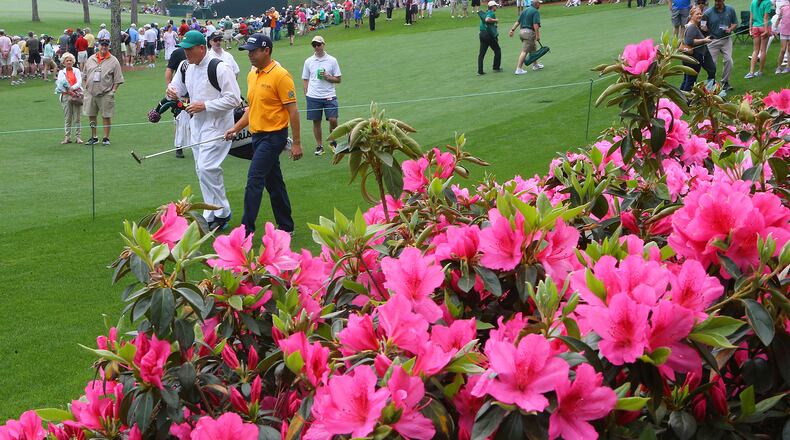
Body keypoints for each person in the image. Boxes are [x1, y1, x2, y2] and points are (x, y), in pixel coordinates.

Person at [226, 33, 303, 236]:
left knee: (254, 180)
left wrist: (296, 144)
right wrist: (236, 128)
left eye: (253, 51)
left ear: (266, 50)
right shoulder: (253, 74)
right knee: (274, 182)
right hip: (257, 137)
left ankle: (245, 232)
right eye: (248, 51)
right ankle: (287, 226)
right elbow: (252, 108)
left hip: (274, 137)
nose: (249, 55)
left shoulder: (281, 75)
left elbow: (293, 111)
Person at [167, 30, 241, 231]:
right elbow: (176, 89)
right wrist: (172, 92)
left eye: (189, 50)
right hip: (196, 125)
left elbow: (234, 99)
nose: (186, 54)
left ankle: (223, 212)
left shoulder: (220, 67)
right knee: (201, 169)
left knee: (208, 167)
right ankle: (211, 212)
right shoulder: (185, 67)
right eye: (184, 50)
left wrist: (205, 105)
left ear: (202, 48)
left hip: (218, 125)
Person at [302, 36, 342, 157]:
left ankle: (333, 141)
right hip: (313, 96)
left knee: (333, 120)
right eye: (314, 45)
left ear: (323, 44)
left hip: (329, 95)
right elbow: (305, 78)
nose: (317, 47)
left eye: (319, 44)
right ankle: (319, 146)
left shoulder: (332, 60)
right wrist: (306, 92)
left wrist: (327, 77)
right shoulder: (308, 61)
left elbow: (338, 79)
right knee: (316, 122)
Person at [82, 39, 124, 146]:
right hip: (90, 93)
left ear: (108, 47)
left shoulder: (113, 60)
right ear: (98, 46)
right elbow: (84, 75)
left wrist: (113, 91)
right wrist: (86, 85)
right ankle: (94, 137)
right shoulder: (91, 58)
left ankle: (106, 138)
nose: (104, 47)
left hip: (105, 93)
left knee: (106, 116)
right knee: (91, 115)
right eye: (102, 45)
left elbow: (118, 79)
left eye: (106, 45)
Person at [702, 0, 738, 90]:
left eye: (719, 1)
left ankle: (725, 82)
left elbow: (735, 23)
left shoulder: (730, 10)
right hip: (713, 41)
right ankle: (711, 84)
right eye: (716, 1)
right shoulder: (707, 13)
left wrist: (730, 29)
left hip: (726, 40)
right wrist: (704, 28)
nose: (717, 3)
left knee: (729, 61)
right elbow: (702, 25)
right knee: (711, 64)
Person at [681, 6, 715, 90]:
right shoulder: (692, 26)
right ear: (691, 15)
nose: (700, 15)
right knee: (690, 81)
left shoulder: (693, 25)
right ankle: (686, 101)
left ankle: (680, 98)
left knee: (687, 79)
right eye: (697, 14)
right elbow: (689, 41)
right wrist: (704, 40)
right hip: (694, 57)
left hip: (690, 57)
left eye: (700, 13)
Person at [165, 46, 189, 159]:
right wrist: (170, 87)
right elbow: (169, 69)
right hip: (180, 93)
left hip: (196, 94)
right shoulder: (178, 53)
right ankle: (179, 147)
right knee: (179, 118)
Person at [509, 0, 543, 74]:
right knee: (525, 51)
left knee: (533, 48)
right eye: (539, 3)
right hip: (529, 33)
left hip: (521, 32)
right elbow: (535, 25)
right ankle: (518, 69)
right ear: (536, 4)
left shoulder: (525, 10)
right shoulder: (535, 11)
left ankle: (535, 65)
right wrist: (537, 35)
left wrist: (512, 30)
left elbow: (518, 21)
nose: (540, 5)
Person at [56, 53, 83, 144]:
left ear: (73, 62)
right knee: (67, 117)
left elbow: (79, 82)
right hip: (66, 96)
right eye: (67, 60)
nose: (69, 62)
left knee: (77, 117)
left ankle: (78, 137)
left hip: (76, 95)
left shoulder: (77, 71)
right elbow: (60, 85)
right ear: (64, 62)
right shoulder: (61, 72)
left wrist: (72, 89)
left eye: (70, 60)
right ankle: (67, 137)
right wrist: (69, 91)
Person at [745, 0, 772, 78]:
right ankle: (760, 72)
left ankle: (751, 72)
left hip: (755, 27)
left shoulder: (753, 2)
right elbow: (765, 17)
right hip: (764, 27)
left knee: (755, 50)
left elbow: (751, 18)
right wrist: (766, 30)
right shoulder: (768, 2)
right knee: (763, 50)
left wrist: (750, 29)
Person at [478, 1, 502, 75]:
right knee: (497, 50)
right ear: (492, 7)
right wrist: (495, 20)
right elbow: (487, 20)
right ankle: (496, 67)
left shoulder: (486, 12)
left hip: (482, 34)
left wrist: (494, 25)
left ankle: (480, 71)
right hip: (488, 35)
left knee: (481, 54)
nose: (496, 7)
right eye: (495, 6)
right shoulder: (491, 13)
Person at [777, 0, 790, 73]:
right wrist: (775, 28)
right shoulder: (783, 8)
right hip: (783, 31)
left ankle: (788, 66)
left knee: (789, 50)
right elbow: (779, 19)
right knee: (783, 49)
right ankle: (779, 67)